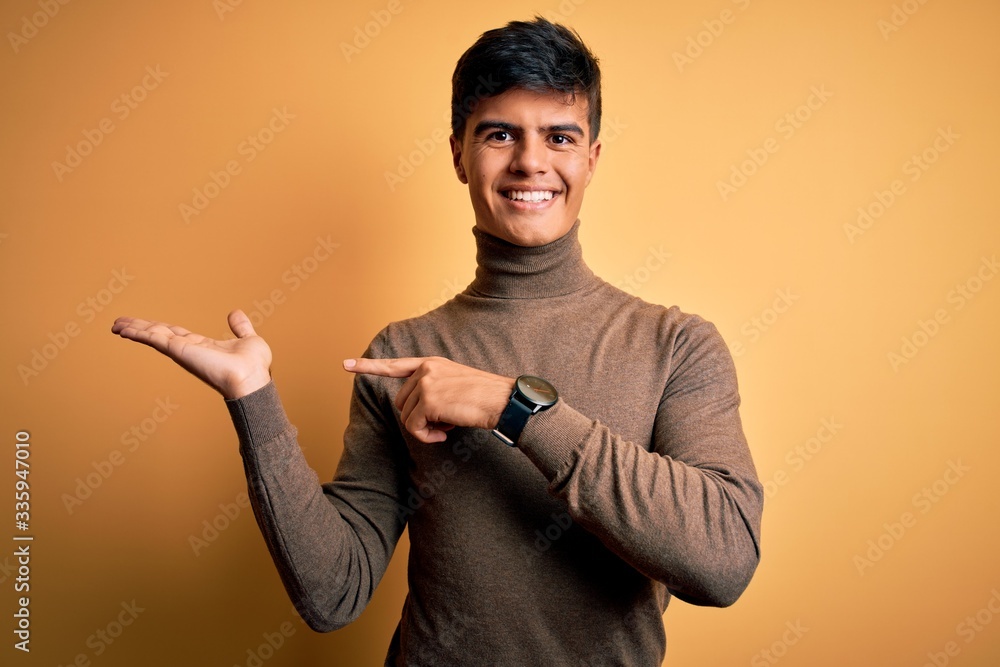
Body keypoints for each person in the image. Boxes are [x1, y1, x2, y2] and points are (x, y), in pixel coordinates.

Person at [112, 17, 763, 666]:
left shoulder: (677, 345)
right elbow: (332, 592)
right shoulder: (403, 351)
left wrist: (513, 407)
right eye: (500, 134)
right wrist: (253, 399)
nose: (530, 161)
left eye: (558, 136)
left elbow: (724, 560)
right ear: (458, 153)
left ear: (591, 157)